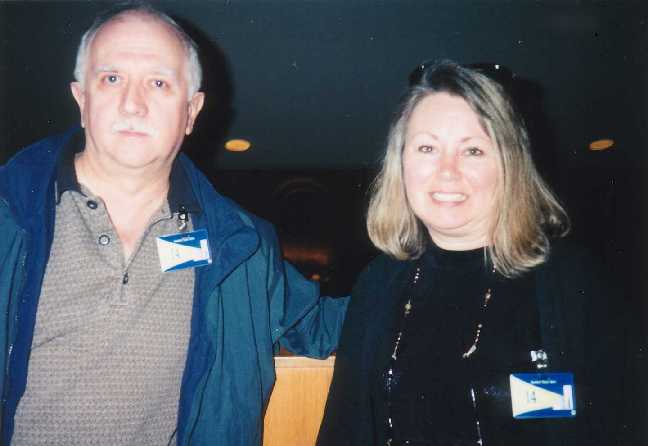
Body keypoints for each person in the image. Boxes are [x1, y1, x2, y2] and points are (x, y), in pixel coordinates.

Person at [0, 4, 347, 445]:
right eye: (112, 79)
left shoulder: (239, 244)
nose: (132, 104)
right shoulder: (8, 215)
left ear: (191, 111)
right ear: (82, 100)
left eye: (159, 83)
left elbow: (329, 324)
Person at [317, 60, 624, 445]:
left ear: (509, 165)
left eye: (473, 150)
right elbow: (344, 430)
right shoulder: (378, 284)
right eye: (427, 148)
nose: (447, 171)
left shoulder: (574, 282)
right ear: (401, 163)